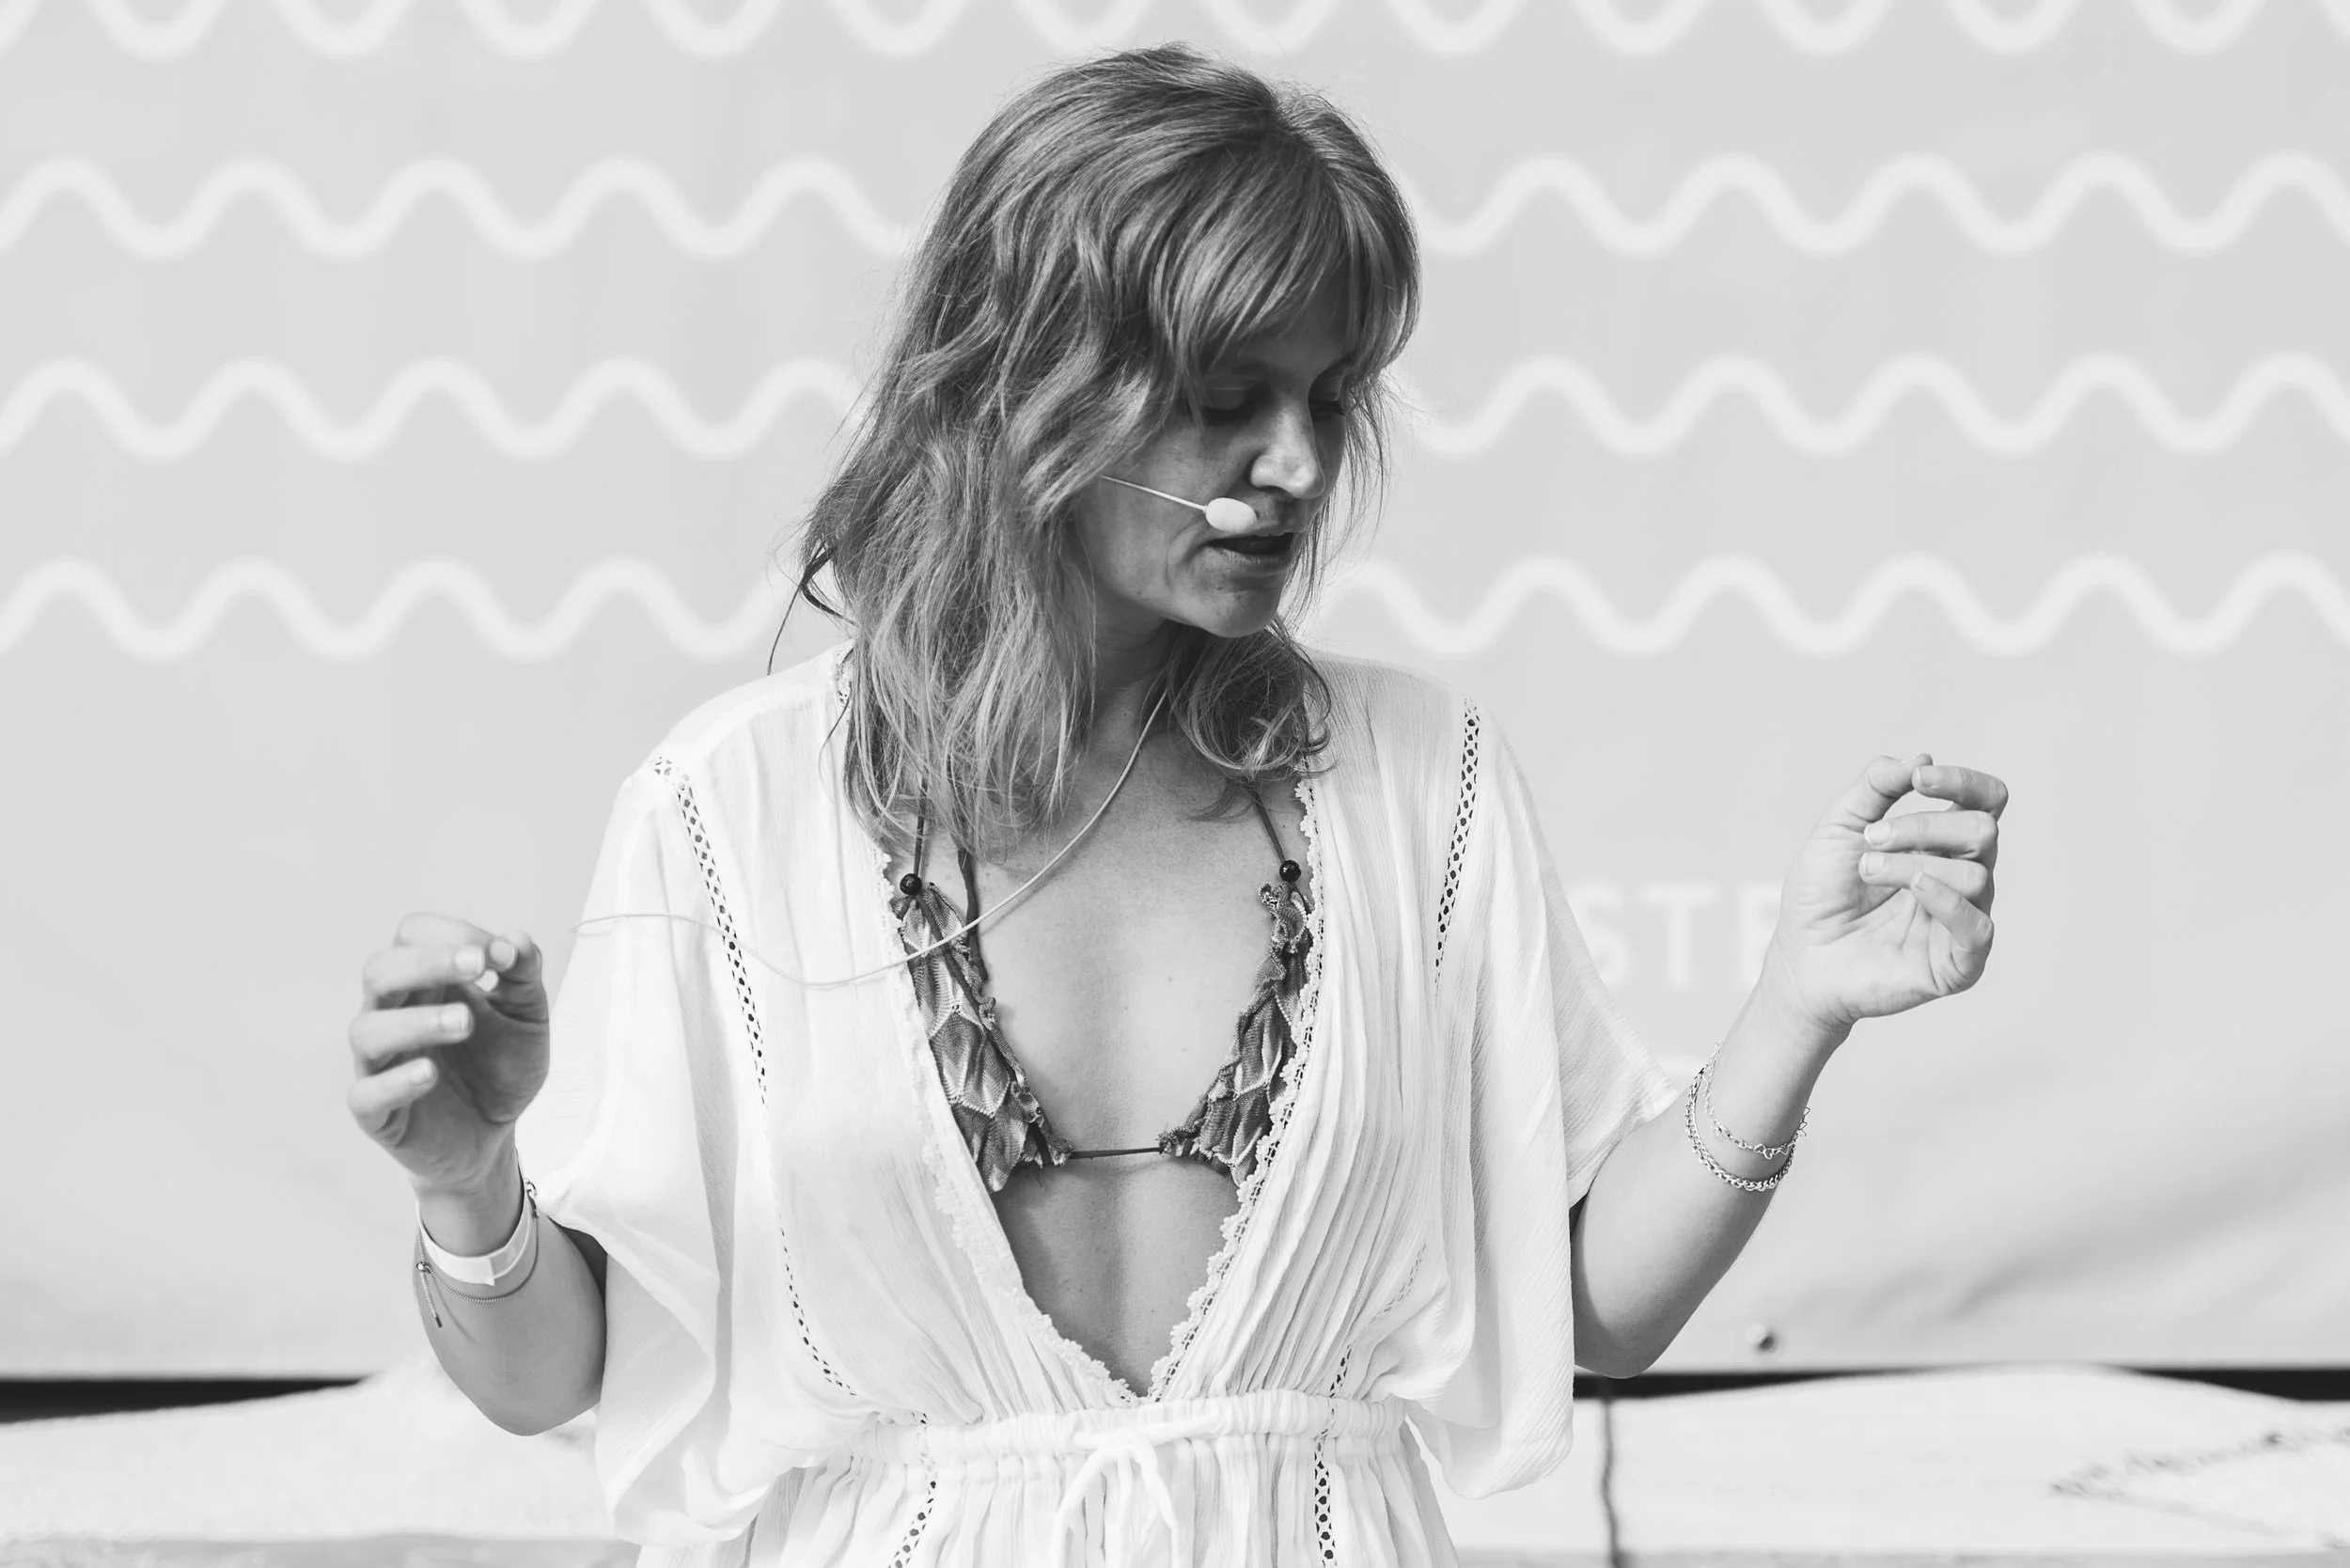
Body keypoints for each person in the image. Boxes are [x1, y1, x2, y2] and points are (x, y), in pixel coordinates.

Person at [345, 42, 2007, 1568]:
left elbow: (1589, 1309)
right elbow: (556, 1377)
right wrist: (469, 1182)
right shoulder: (729, 809)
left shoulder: (1421, 780)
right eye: (1227, 396)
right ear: (1022, 380)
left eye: (1331, 396)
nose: (1297, 464)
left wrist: (1795, 1011)